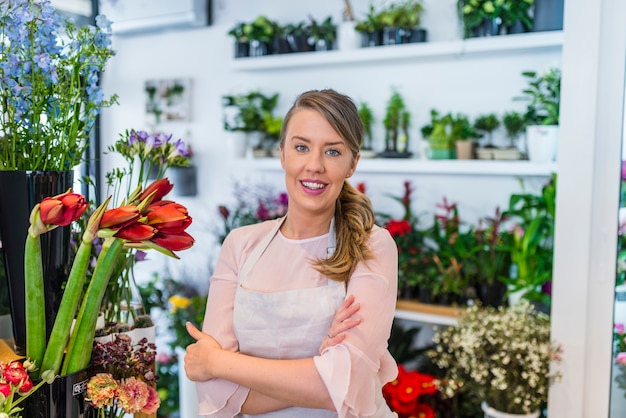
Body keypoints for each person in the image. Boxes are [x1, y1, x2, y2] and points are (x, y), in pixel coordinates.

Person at [185, 89, 399, 417]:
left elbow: (348, 384)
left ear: (353, 164)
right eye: (301, 147)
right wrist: (323, 368)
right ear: (282, 154)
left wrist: (217, 361)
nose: (314, 166)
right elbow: (217, 396)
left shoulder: (371, 247)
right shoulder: (241, 245)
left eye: (332, 152)